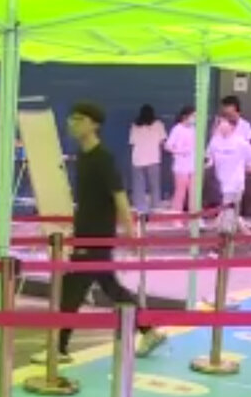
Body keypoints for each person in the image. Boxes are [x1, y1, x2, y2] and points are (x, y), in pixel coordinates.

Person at [39, 101, 166, 363]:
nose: (72, 123)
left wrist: (130, 232)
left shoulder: (103, 158)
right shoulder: (83, 157)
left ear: (94, 124)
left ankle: (59, 348)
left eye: (79, 119)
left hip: (96, 236)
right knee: (109, 287)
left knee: (73, 290)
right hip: (85, 232)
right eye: (71, 118)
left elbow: (119, 195)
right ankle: (148, 329)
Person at [207, 116, 251, 235]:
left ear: (232, 126)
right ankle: (248, 236)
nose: (221, 126)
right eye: (220, 123)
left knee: (228, 216)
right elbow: (209, 158)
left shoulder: (240, 142)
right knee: (231, 214)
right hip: (221, 183)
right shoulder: (215, 141)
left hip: (235, 183)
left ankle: (226, 239)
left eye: (224, 123)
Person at [129, 104, 167, 211]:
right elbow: (162, 141)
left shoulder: (135, 125)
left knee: (138, 185)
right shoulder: (158, 125)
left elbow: (132, 142)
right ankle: (156, 205)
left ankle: (140, 207)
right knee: (154, 184)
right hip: (153, 158)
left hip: (138, 158)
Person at [165, 106, 196, 214]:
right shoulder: (177, 129)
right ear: (185, 116)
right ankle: (176, 215)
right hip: (180, 166)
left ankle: (194, 216)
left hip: (193, 165)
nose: (195, 119)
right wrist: (180, 152)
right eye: (193, 116)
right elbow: (167, 146)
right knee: (180, 193)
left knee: (194, 193)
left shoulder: (194, 129)